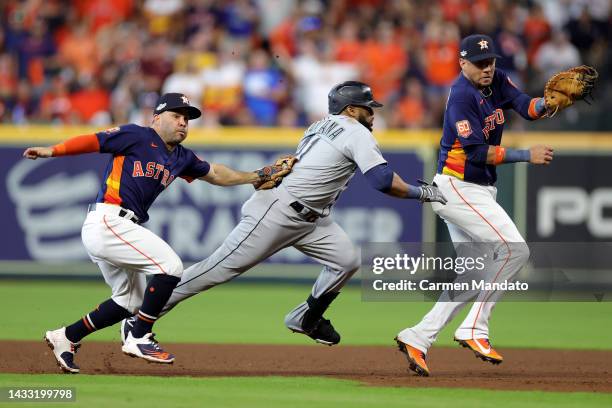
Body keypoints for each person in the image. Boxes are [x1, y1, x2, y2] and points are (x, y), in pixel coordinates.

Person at [120, 81, 447, 346]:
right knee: (215, 270)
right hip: (277, 210)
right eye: (368, 108)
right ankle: (139, 318)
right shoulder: (355, 130)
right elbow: (381, 181)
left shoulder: (321, 125)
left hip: (313, 219)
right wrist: (423, 193)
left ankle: (306, 318)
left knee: (346, 260)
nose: (373, 114)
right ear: (350, 110)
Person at [24, 93, 286, 373]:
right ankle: (139, 335)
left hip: (121, 226)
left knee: (130, 301)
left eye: (186, 119)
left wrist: (256, 177)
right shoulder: (137, 136)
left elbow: (217, 174)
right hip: (108, 220)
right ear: (157, 117)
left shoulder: (181, 157)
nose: (183, 123)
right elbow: (94, 140)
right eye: (176, 116)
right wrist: (54, 150)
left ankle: (66, 337)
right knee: (170, 266)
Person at [395, 34, 554, 377]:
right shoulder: (461, 98)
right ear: (462, 63)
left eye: (491, 61)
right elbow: (477, 152)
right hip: (458, 187)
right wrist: (527, 155)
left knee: (474, 272)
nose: (487, 68)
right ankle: (475, 328)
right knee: (515, 250)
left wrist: (546, 104)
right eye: (480, 63)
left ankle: (417, 336)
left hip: (476, 189)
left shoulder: (495, 78)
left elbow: (524, 105)